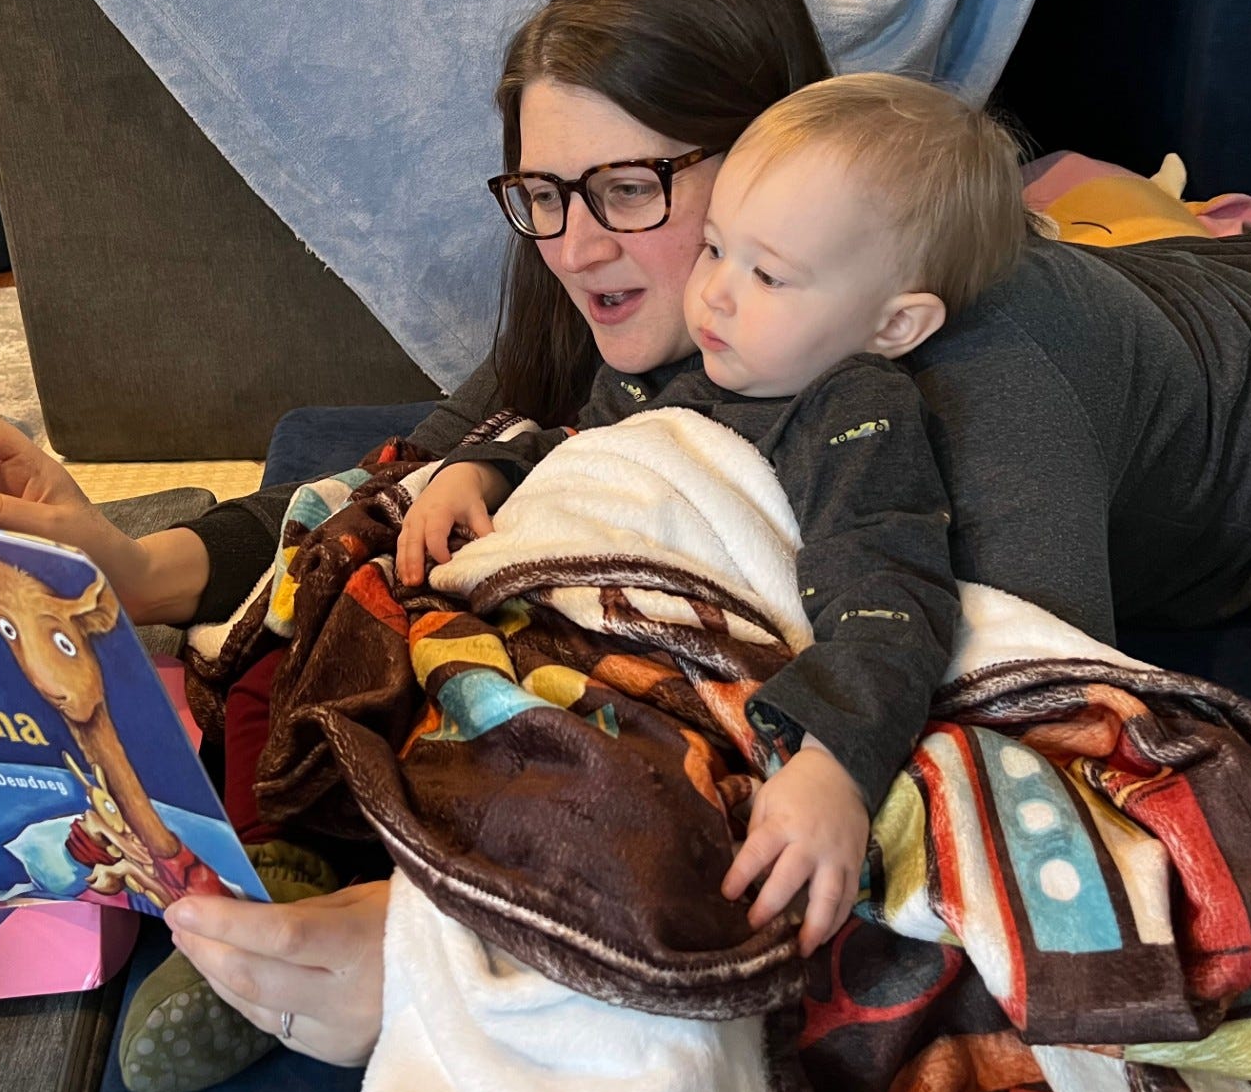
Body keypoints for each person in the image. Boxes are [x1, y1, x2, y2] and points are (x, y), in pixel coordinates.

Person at [0, 0, 1251, 1082]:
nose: (577, 247)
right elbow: (441, 450)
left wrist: (465, 947)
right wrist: (144, 560)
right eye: (542, 194)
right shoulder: (684, 271)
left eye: (629, 189)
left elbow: (1011, 749)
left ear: (774, 153)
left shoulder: (977, 377)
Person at [396, 74, 1033, 943]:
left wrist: (834, 767)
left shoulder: (854, 412)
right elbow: (583, 453)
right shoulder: (680, 366)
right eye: (714, 249)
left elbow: (887, 594)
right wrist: (484, 471)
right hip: (543, 614)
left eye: (767, 273)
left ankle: (442, 923)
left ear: (894, 326)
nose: (716, 294)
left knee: (620, 808)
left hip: (669, 667)